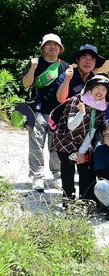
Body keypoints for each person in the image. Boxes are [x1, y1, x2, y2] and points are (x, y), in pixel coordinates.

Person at [52, 75, 109, 200]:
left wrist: (81, 152)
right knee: (67, 173)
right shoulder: (76, 100)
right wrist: (81, 113)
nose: (100, 92)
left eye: (104, 89)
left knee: (87, 172)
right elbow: (71, 126)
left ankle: (86, 202)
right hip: (65, 140)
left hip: (82, 142)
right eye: (97, 87)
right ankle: (68, 203)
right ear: (90, 88)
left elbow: (92, 131)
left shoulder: (101, 107)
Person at [21, 33, 68, 191]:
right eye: (49, 44)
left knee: (56, 146)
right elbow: (26, 85)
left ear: (60, 48)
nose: (52, 46)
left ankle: (58, 176)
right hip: (36, 110)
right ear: (43, 48)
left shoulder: (65, 67)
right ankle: (37, 177)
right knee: (36, 146)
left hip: (57, 113)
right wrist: (33, 68)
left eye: (56, 44)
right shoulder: (35, 63)